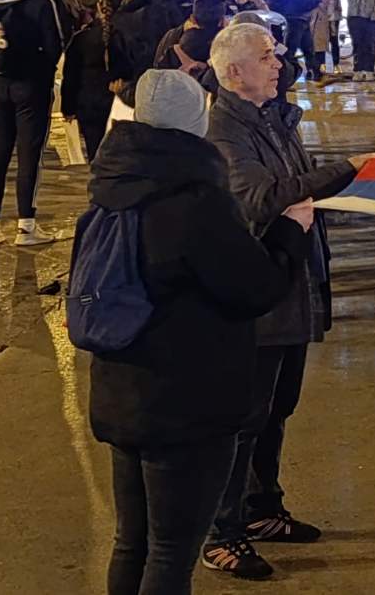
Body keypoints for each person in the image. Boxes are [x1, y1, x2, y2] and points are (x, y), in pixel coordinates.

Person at [85, 69, 314, 595]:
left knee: (132, 542)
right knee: (171, 552)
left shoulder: (108, 194)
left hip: (122, 396)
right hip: (186, 406)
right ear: (196, 124)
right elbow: (255, 287)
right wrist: (289, 233)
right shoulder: (196, 204)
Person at [202, 22, 375, 579]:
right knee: (243, 417)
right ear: (234, 73)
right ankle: (221, 532)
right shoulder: (226, 132)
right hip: (259, 293)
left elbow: (296, 182)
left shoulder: (272, 118)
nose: (278, 64)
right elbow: (262, 200)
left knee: (276, 409)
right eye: (265, 58)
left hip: (290, 285)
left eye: (275, 54)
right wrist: (348, 172)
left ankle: (262, 509)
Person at [0, 0, 73, 246]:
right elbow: (57, 44)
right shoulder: (40, 2)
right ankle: (26, 225)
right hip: (30, 86)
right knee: (29, 154)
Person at [62, 0, 123, 160]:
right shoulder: (127, 35)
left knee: (95, 151)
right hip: (119, 99)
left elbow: (71, 76)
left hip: (89, 100)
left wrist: (68, 107)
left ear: (98, 6)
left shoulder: (82, 38)